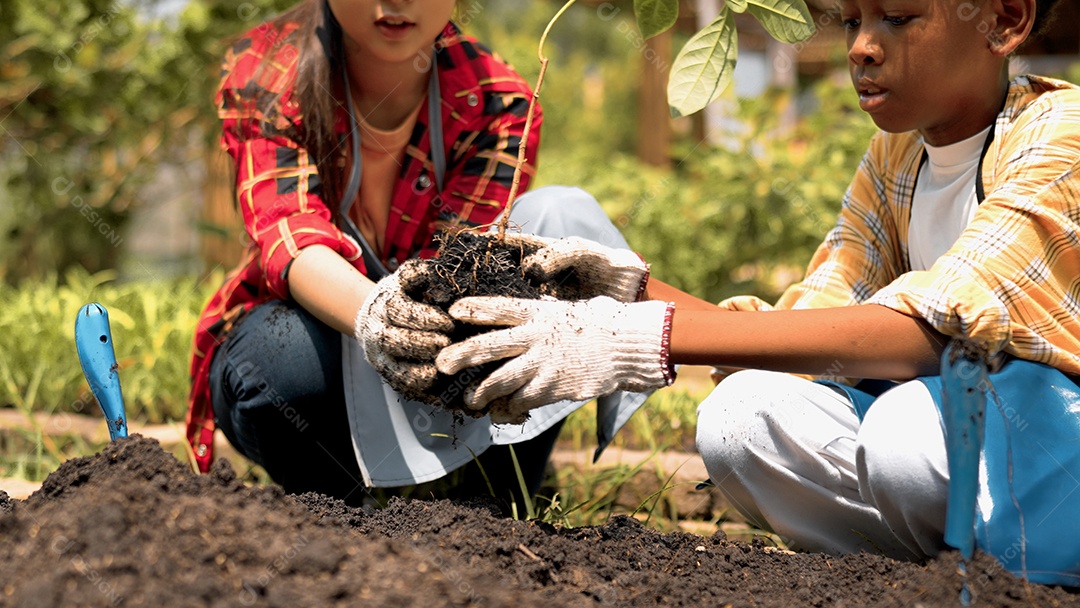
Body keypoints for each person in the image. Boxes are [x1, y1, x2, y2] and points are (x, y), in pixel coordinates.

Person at [371, 0, 1080, 586]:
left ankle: (1015, 568)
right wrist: (621, 290)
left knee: (902, 432)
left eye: (897, 18)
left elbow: (931, 332)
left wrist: (631, 341)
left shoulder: (1060, 137)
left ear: (1003, 21)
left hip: (1049, 445)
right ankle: (916, 577)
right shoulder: (897, 158)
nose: (863, 47)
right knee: (740, 420)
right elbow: (811, 333)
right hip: (963, 458)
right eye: (851, 21)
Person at [185, 0, 651, 509]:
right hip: (322, 344)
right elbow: (292, 236)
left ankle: (494, 505)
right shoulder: (269, 70)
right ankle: (334, 509)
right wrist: (374, 314)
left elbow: (462, 267)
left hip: (441, 361)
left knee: (560, 216)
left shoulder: (495, 99)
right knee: (283, 358)